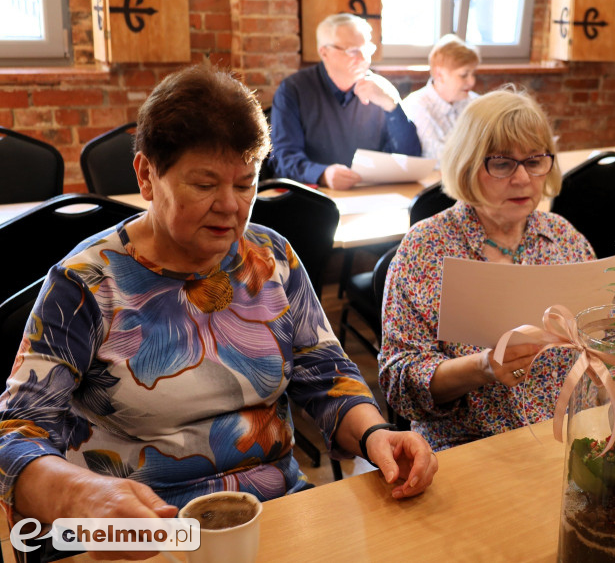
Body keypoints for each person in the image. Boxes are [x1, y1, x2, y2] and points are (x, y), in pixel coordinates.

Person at [0, 66, 437, 544]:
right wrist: (84, 497)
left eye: (245, 183)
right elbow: (16, 433)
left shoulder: (269, 257)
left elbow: (327, 375)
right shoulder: (87, 282)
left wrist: (377, 435)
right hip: (145, 530)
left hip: (274, 511)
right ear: (147, 175)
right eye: (205, 185)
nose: (231, 206)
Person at [378, 89, 595, 451]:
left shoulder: (564, 239)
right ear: (467, 164)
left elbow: (600, 343)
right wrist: (482, 367)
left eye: (535, 160)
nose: (523, 178)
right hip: (467, 447)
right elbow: (399, 384)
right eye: (502, 163)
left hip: (564, 438)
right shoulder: (426, 247)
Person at [270, 13, 421, 190]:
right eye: (353, 51)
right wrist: (322, 174)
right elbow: (283, 158)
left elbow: (411, 157)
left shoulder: (381, 89)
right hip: (313, 198)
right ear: (324, 52)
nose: (363, 58)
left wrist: (392, 105)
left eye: (367, 49)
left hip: (370, 194)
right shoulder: (293, 90)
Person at [403, 34, 481, 160]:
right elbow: (439, 158)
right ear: (440, 74)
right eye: (464, 75)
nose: (472, 81)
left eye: (473, 74)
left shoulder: (476, 102)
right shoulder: (417, 106)